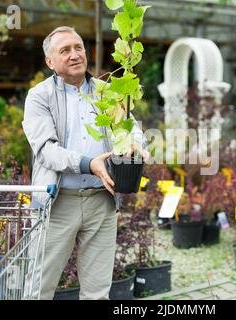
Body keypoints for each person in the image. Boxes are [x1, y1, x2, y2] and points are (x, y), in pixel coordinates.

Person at [22, 26, 147, 300]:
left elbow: (131, 127)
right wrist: (88, 163)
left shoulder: (107, 91)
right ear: (50, 62)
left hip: (101, 202)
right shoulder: (39, 96)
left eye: (78, 47)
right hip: (57, 203)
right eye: (64, 50)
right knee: (37, 290)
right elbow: (46, 150)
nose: (74, 54)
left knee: (97, 293)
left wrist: (136, 142)